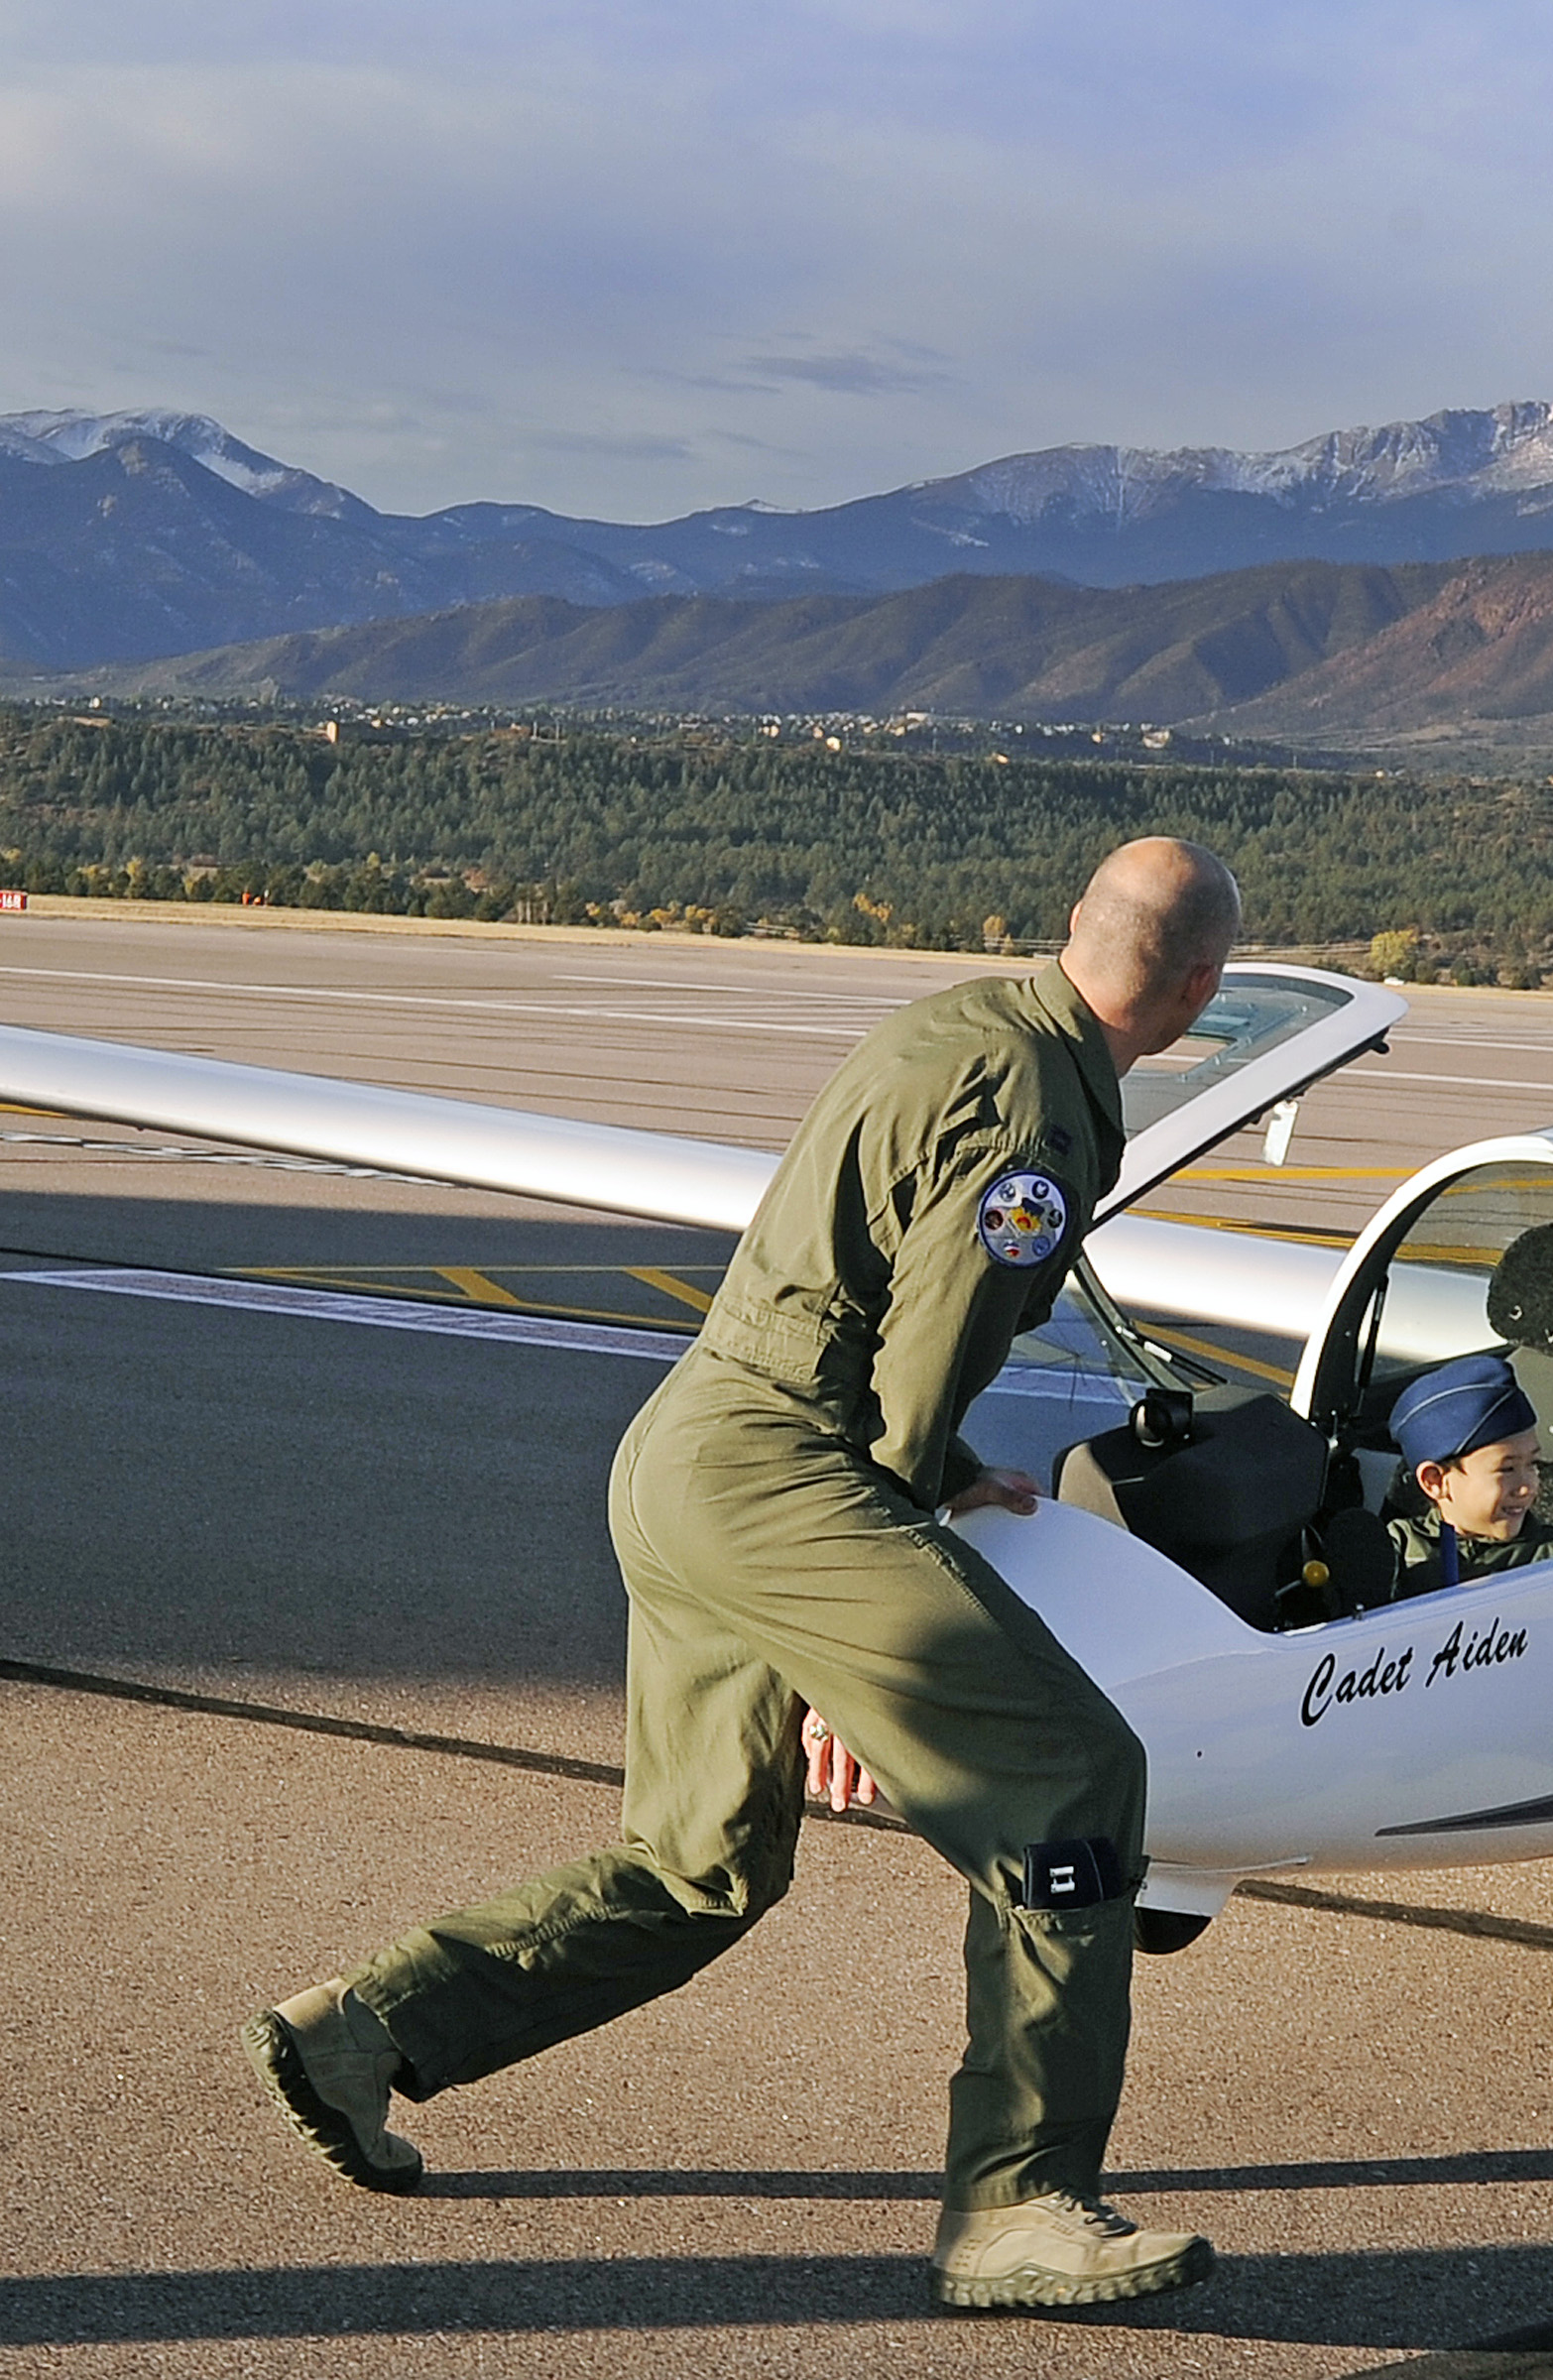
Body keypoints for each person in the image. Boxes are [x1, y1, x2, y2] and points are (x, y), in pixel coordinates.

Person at [243, 837, 1244, 2314]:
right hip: (794, 1484)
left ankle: (366, 2035)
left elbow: (866, 1271)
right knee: (1073, 1781)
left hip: (690, 1447)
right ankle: (1019, 2201)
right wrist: (884, 1587)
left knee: (699, 1863)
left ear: (1071, 930)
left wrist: (933, 1473)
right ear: (1201, 990)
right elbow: (929, 1349)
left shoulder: (962, 1023)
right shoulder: (1045, 1108)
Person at [1382, 1352, 1553, 1601]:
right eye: (1507, 1469)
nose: (1527, 1487)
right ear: (1435, 1481)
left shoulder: (1551, 1557)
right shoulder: (1397, 1548)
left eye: (1533, 1464)